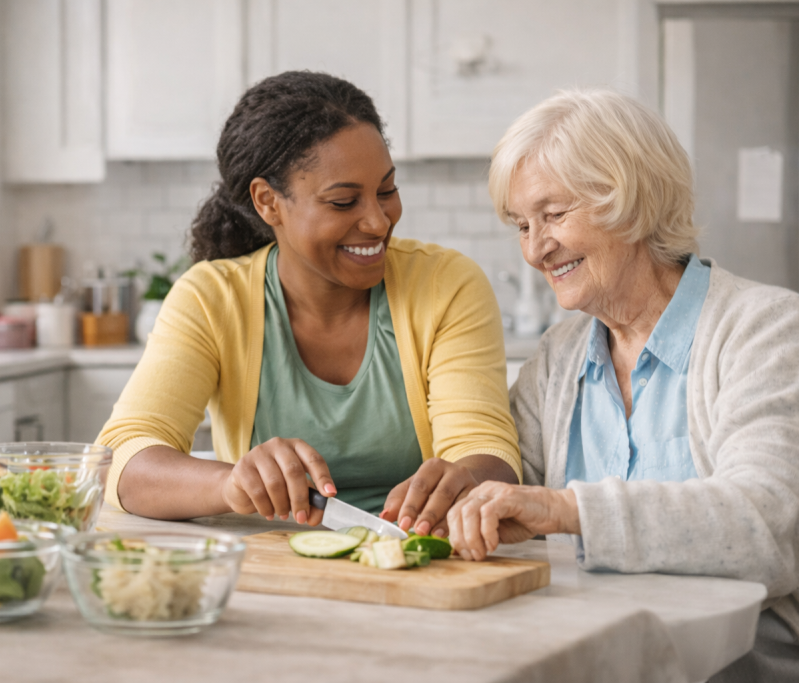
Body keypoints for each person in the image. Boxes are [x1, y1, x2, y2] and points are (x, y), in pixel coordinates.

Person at [446, 89, 799, 682]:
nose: (536, 249)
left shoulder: (767, 327)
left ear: (630, 200)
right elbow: (515, 501)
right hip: (604, 660)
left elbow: (769, 526)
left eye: (554, 215)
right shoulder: (559, 358)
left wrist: (567, 510)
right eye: (522, 225)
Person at [98, 71, 520, 538]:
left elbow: (488, 453)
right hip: (273, 569)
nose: (379, 222)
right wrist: (233, 484)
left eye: (387, 191)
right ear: (268, 202)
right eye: (343, 202)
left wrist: (468, 479)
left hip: (418, 560)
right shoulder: (213, 299)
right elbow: (120, 459)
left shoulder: (446, 286)